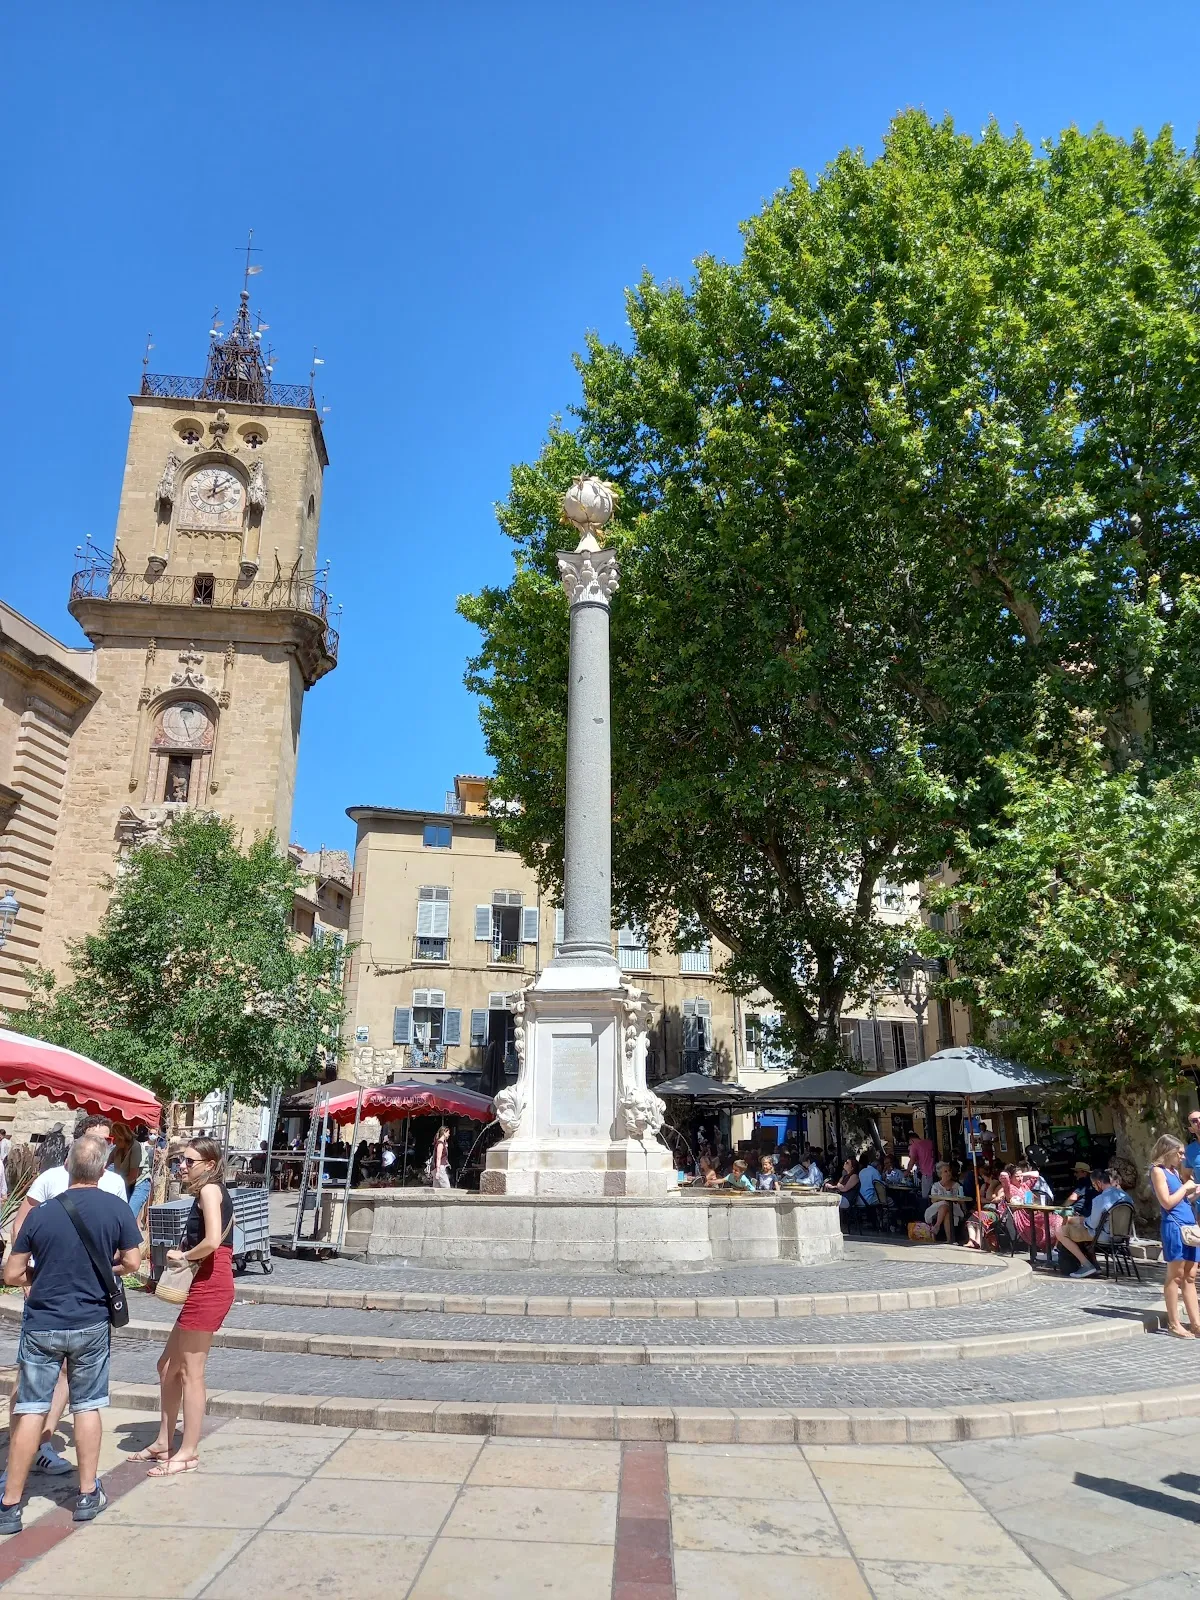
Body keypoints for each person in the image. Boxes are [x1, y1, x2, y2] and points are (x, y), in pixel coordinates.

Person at [0, 1136, 142, 1532]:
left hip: (43, 1322)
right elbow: (133, 1261)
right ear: (102, 1168)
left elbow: (11, 1274)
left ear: (68, 1167)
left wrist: (40, 1275)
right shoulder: (116, 1208)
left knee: (31, 1407)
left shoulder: (43, 1213)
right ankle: (86, 1494)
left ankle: (11, 1503)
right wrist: (103, 1271)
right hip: (90, 1321)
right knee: (87, 1405)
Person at [135, 1139, 235, 1475]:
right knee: (167, 1365)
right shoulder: (207, 1192)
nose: (182, 1166)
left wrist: (183, 1256)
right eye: (180, 1160)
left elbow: (211, 1241)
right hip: (203, 1282)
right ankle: (165, 1440)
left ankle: (189, 1451)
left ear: (209, 1164)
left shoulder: (210, 1192)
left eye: (188, 1161)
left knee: (192, 1372)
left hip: (210, 1281)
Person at [1149, 1134, 1200, 1339]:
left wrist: (1193, 1193)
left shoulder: (1174, 1173)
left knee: (1190, 1276)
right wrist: (1185, 1187)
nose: (1182, 1157)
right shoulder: (1158, 1171)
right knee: (1176, 1276)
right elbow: (1167, 1202)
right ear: (1167, 1151)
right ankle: (1173, 1323)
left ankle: (1196, 1323)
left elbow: (1180, 1200)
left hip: (1189, 1227)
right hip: (1175, 1227)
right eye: (1179, 1153)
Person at [1056, 1169, 1133, 1278]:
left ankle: (1087, 1265)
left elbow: (1092, 1224)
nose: (1094, 1188)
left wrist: (1081, 1221)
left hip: (1103, 1236)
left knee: (1060, 1231)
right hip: (1121, 1236)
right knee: (1077, 1224)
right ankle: (1094, 1264)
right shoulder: (1126, 1196)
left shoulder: (1100, 1199)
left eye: (1094, 1185)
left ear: (1099, 1183)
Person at [925, 1162, 966, 1243]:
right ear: (940, 1174)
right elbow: (933, 1200)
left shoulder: (957, 1185)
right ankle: (949, 1239)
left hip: (954, 1207)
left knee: (946, 1206)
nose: (948, 1173)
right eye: (945, 1171)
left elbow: (962, 1201)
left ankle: (937, 1226)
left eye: (949, 1171)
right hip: (936, 1208)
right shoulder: (936, 1186)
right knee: (946, 1209)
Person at [431, 1124, 451, 1189]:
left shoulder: (442, 1143)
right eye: (448, 1133)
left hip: (438, 1167)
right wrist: (438, 1171)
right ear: (444, 1133)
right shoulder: (440, 1144)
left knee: (437, 1189)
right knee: (446, 1188)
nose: (449, 1134)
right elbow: (438, 1158)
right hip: (440, 1168)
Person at [1184, 1110, 1200, 1182]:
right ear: (1191, 1130)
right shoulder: (1189, 1151)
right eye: (1194, 1121)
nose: (1199, 1121)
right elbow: (1186, 1175)